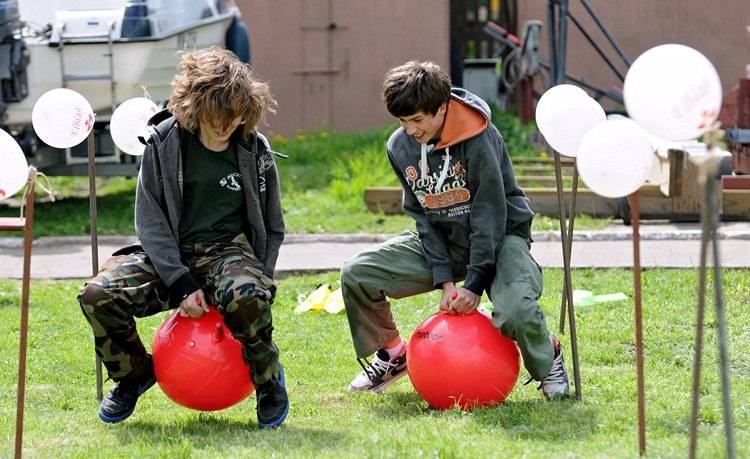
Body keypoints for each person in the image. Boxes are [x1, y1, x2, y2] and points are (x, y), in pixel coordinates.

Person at [77, 47, 289, 428]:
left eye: (234, 116)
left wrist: (260, 277)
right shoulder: (164, 142)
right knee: (97, 295)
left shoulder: (255, 150)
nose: (225, 126)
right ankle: (133, 375)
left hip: (228, 253)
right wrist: (180, 282)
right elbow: (151, 221)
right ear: (195, 106)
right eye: (216, 117)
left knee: (248, 297)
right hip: (169, 255)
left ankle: (268, 380)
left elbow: (272, 226)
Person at [340, 60, 570, 400]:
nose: (410, 130)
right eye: (403, 121)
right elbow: (422, 217)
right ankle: (393, 354)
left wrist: (474, 284)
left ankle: (547, 356)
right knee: (357, 274)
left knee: (516, 310)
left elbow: (489, 213)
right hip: (445, 240)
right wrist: (445, 281)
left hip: (500, 236)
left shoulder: (479, 137)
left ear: (443, 107)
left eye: (418, 120)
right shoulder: (399, 146)